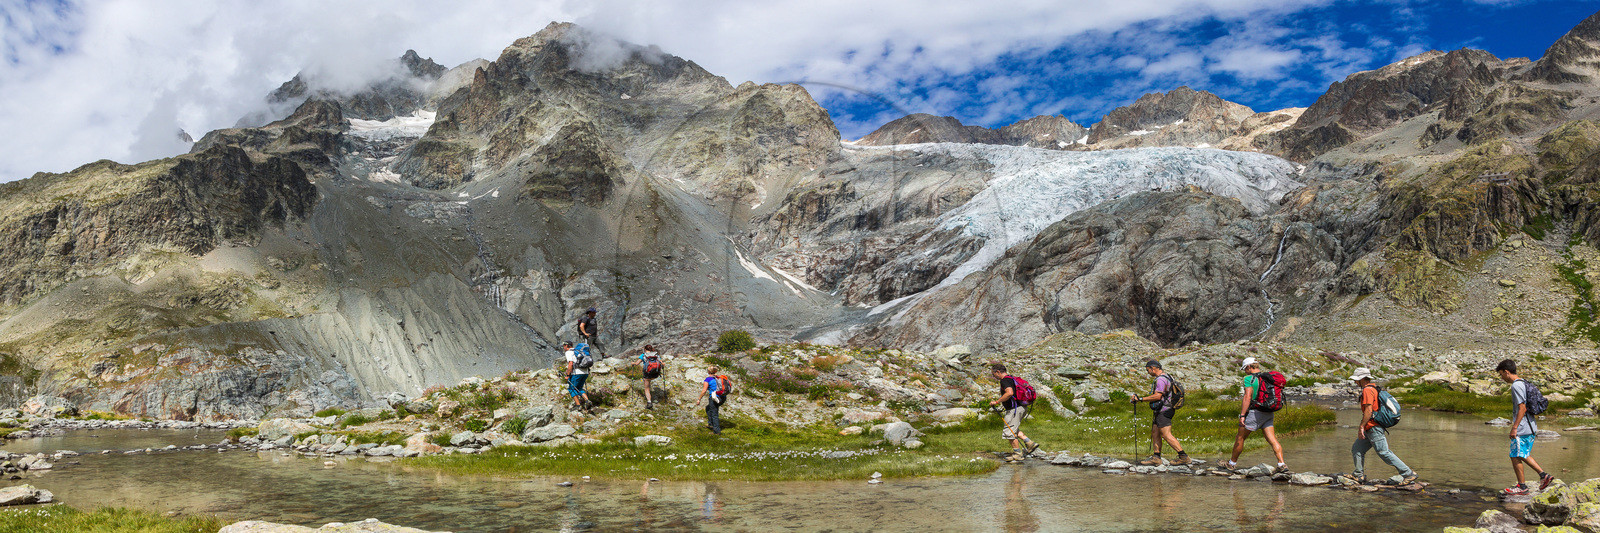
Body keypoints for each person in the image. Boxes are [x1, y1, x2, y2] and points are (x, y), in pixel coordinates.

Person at [1497, 359, 1555, 495]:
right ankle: (1543, 476)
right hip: (1530, 426)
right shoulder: (1524, 382)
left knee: (1515, 455)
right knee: (1521, 454)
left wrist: (1514, 427)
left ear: (1506, 372)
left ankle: (1522, 487)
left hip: (1523, 427)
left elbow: (1522, 408)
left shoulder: (1516, 386)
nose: (1502, 378)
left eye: (1501, 374)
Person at [1349, 367, 1416, 484]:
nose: (1355, 382)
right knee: (1357, 449)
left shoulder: (1367, 390)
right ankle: (1358, 475)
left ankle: (1408, 473)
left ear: (1363, 379)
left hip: (1373, 427)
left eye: (1356, 380)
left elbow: (1369, 410)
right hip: (1370, 428)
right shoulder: (1373, 388)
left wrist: (1361, 427)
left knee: (1384, 452)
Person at [1222, 357, 1286, 472]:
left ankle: (1231, 463)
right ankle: (1282, 464)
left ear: (1249, 367)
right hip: (1268, 412)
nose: (1245, 371)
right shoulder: (1267, 378)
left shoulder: (1249, 378)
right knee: (1272, 440)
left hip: (1255, 412)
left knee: (1240, 437)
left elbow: (1248, 397)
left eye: (1245, 369)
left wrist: (1242, 415)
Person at [1130, 360, 1189, 465]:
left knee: (1166, 434)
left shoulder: (1161, 380)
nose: (1148, 373)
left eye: (1148, 370)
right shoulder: (1167, 376)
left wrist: (1140, 399)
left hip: (1164, 410)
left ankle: (1183, 456)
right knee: (1155, 432)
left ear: (1153, 368)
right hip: (1163, 409)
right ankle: (1156, 457)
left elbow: (1158, 396)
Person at [988, 362, 1040, 463]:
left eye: (993, 374)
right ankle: (1030, 444)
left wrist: (997, 401)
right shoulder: (1011, 378)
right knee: (1013, 429)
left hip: (1014, 409)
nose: (993, 376)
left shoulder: (1005, 380)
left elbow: (1009, 393)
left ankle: (1017, 454)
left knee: (1009, 432)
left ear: (998, 372)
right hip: (1021, 407)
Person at [695, 365, 726, 434]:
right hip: (723, 397)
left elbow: (704, 391)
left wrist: (699, 399)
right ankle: (711, 424)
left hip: (715, 398)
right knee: (708, 408)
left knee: (714, 413)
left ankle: (716, 431)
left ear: (709, 371)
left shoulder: (708, 379)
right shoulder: (719, 378)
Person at [563, 341, 592, 411]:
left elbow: (570, 364)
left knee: (571, 388)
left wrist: (567, 375)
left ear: (567, 345)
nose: (563, 347)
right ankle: (587, 401)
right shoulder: (578, 351)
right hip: (585, 372)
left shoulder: (569, 352)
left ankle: (578, 405)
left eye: (564, 346)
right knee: (579, 388)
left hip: (576, 373)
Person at [636, 344, 663, 410]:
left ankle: (649, 402)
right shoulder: (656, 355)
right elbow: (661, 363)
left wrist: (632, 363)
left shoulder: (643, 355)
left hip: (647, 374)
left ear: (645, 349)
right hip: (655, 374)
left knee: (647, 388)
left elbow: (636, 363)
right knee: (649, 384)